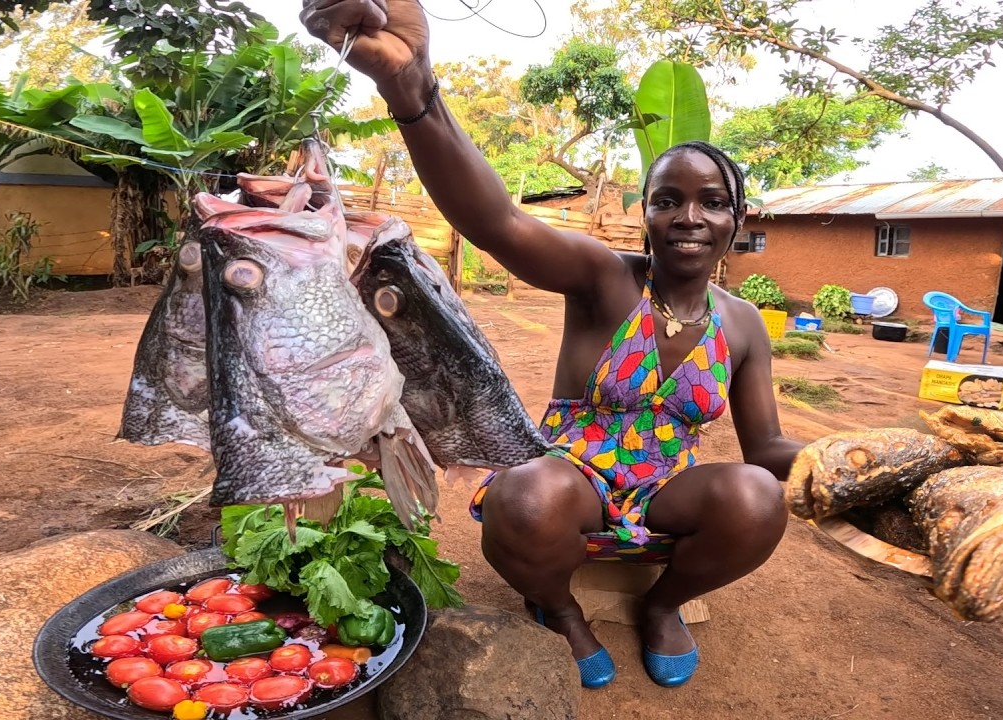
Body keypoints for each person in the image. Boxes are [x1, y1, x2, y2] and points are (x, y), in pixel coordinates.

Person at [301, 0, 803, 690]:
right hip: (573, 478)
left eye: (712, 201)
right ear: (646, 213)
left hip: (667, 490)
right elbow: (497, 221)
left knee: (758, 500)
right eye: (668, 200)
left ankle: (662, 605)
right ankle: (561, 609)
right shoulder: (604, 279)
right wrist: (412, 93)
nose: (690, 217)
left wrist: (856, 462)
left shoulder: (743, 324)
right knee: (524, 500)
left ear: (736, 219)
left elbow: (768, 452)